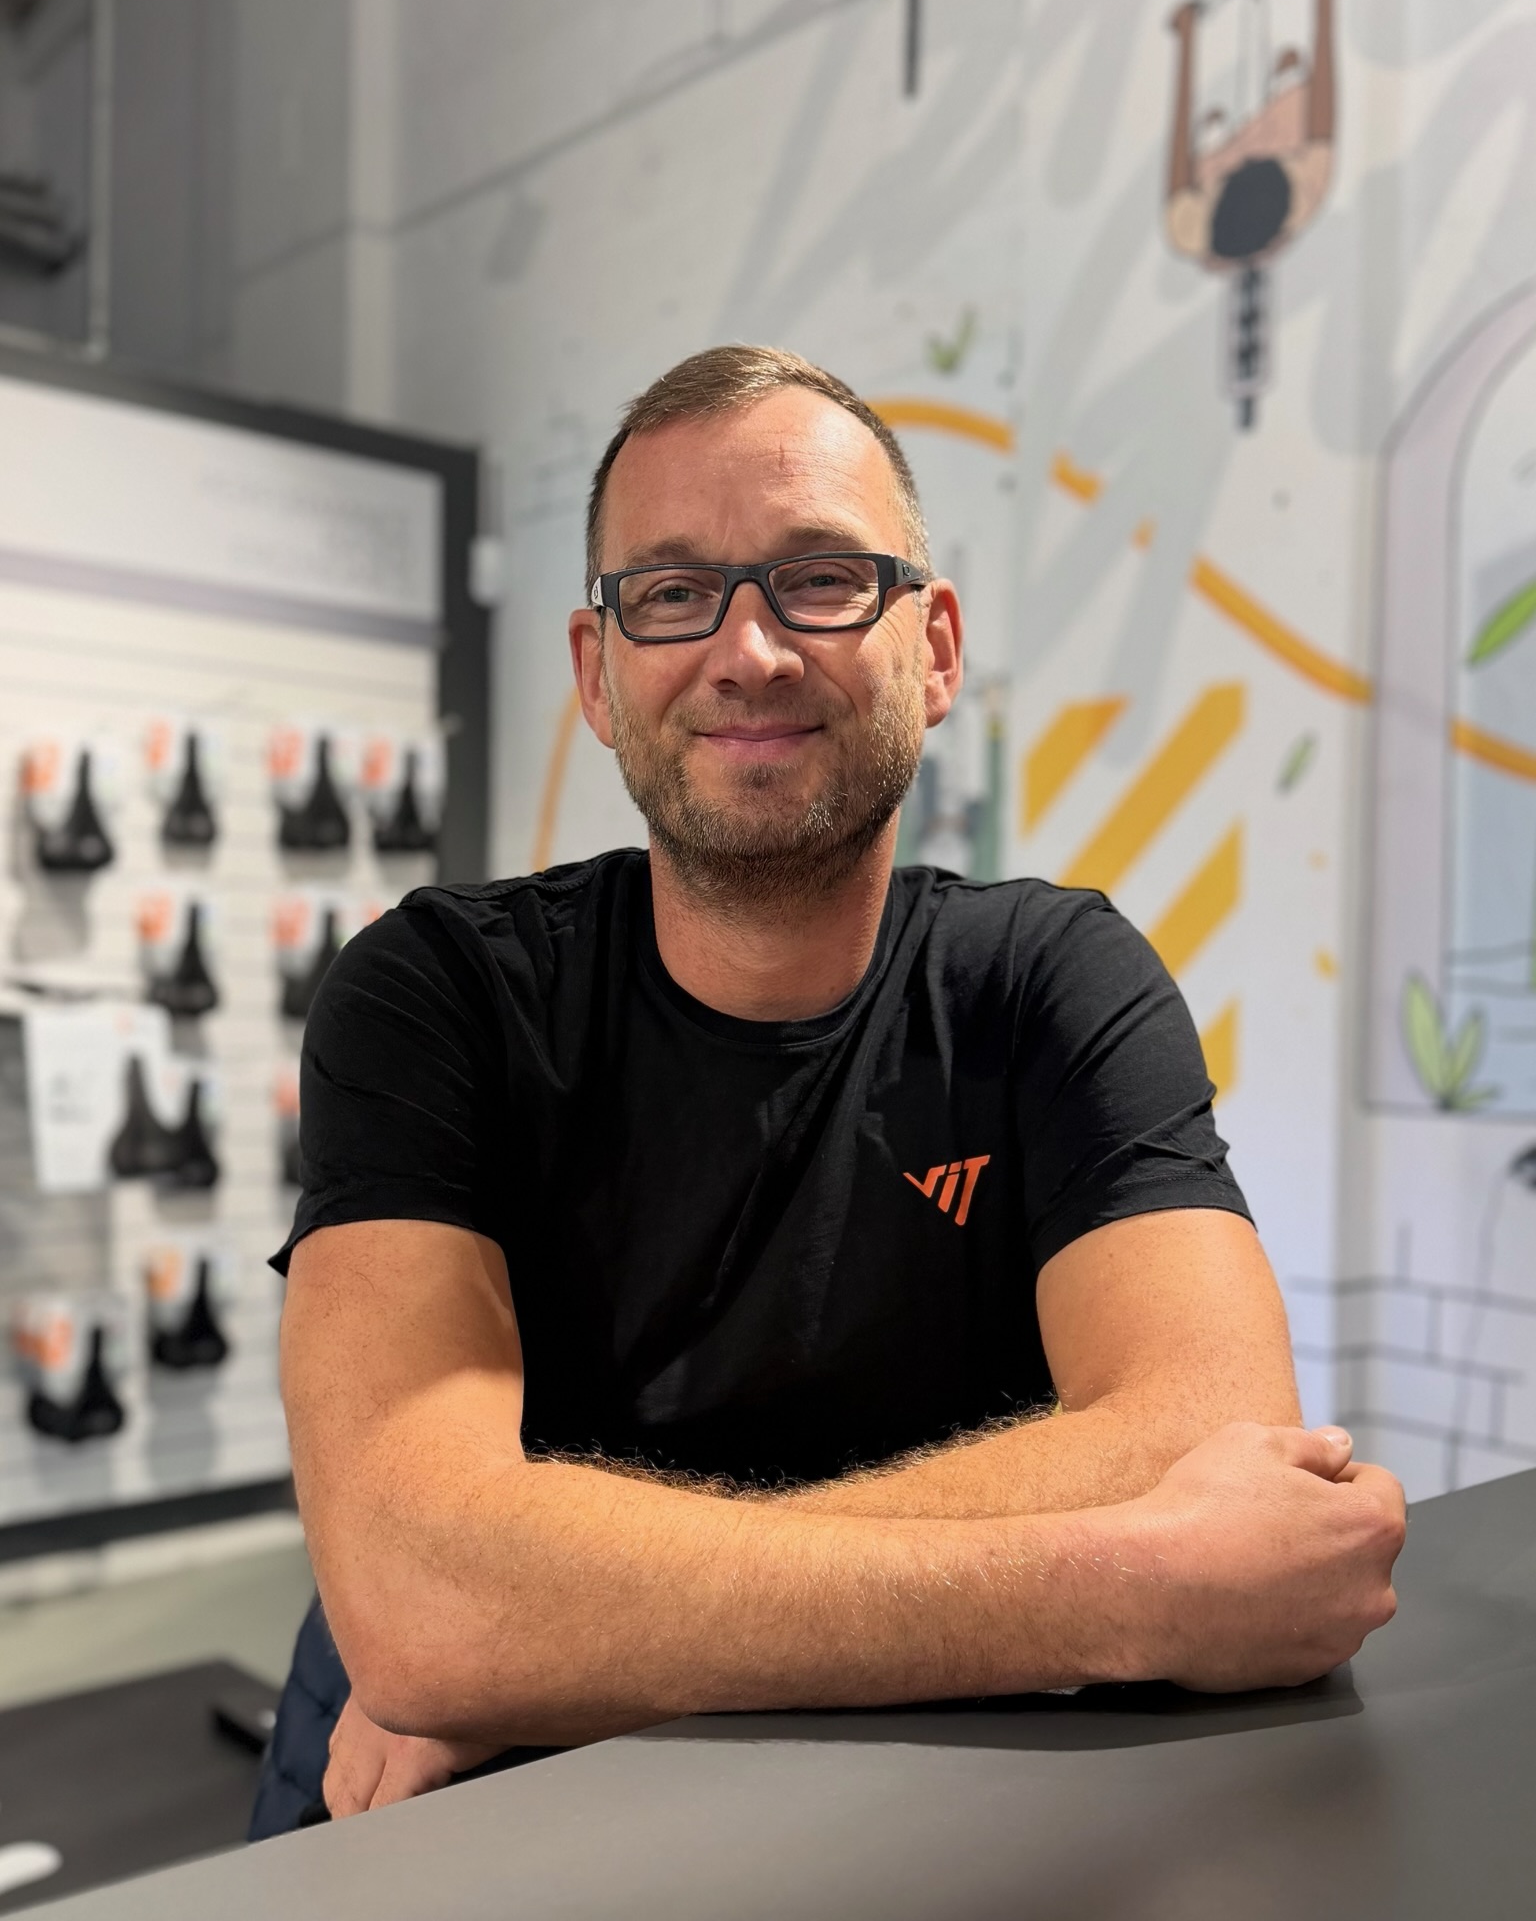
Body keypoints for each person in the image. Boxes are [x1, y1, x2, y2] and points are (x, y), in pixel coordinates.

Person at [252, 345, 1404, 1834]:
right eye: (673, 593)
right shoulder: (438, 993)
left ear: (936, 648)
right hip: (441, 1800)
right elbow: (423, 1602)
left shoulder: (1051, 981)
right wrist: (1129, 1583)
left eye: (822, 580)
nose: (750, 650)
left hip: (839, 1791)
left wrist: (548, 1632)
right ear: (597, 674)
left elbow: (1208, 1427)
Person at [1165, 0, 1340, 270]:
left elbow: (1179, 141)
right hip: (1279, 140)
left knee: (1211, 127)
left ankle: (1219, 139)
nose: (1246, 156)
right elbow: (1323, 95)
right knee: (1293, 67)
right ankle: (1284, 85)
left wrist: (1186, 37)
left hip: (1219, 158)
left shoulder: (1188, 227)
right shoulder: (1307, 186)